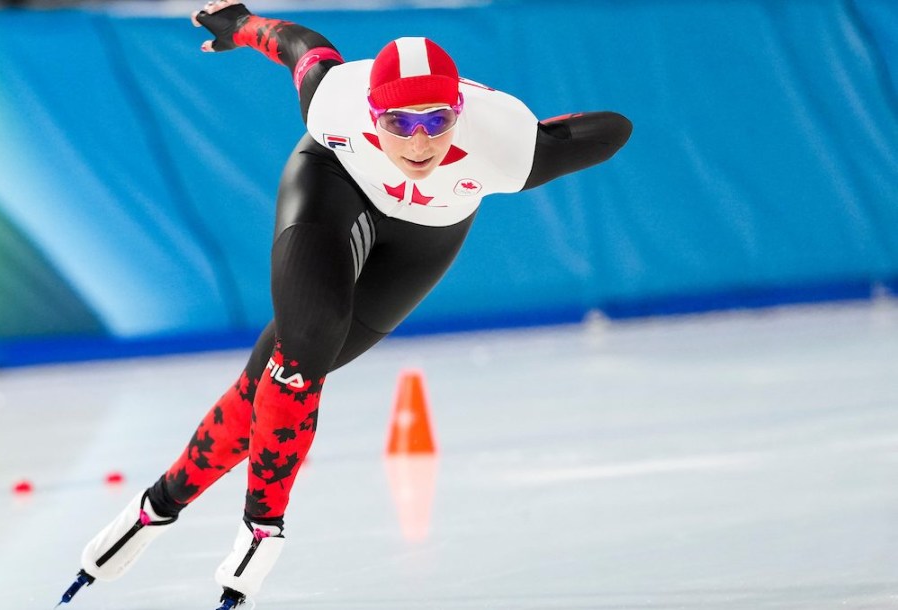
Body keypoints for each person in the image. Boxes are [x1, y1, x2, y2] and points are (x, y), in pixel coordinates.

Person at [60, 1, 632, 608]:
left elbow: (614, 128)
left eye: (436, 122)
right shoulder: (336, 97)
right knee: (307, 341)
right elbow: (297, 42)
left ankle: (156, 506)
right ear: (370, 112)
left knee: (273, 380)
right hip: (334, 187)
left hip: (425, 239)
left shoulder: (507, 145)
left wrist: (537, 133)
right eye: (400, 123)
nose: (419, 143)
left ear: (459, 114)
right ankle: (262, 528)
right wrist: (242, 26)